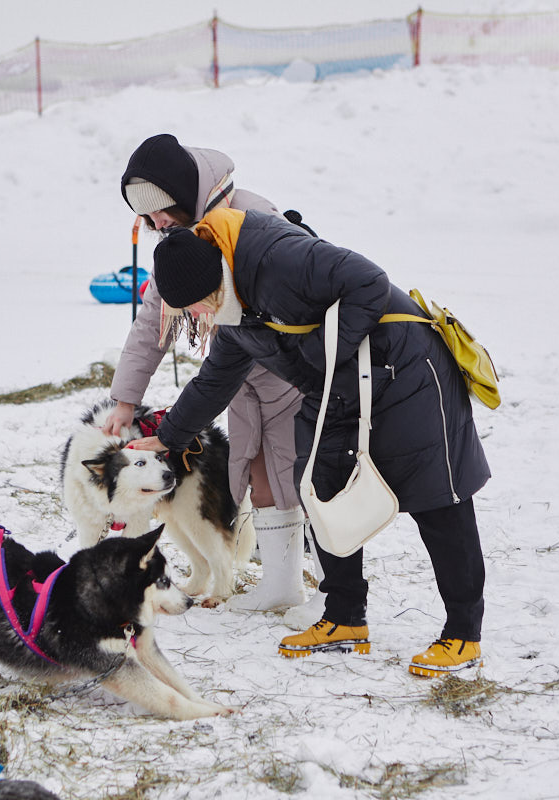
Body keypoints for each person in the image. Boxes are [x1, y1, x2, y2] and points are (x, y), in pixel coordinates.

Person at [128, 207, 491, 677]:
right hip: (341, 386)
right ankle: (344, 618)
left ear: (211, 283)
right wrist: (170, 438)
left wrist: (323, 356)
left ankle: (464, 632)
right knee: (319, 485)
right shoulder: (234, 313)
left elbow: (368, 281)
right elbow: (214, 380)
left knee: (437, 500)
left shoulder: (276, 258)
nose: (196, 317)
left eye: (194, 306)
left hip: (406, 371)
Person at [111, 134, 324, 621]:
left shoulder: (252, 216)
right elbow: (152, 320)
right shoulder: (177, 239)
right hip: (241, 377)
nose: (157, 225)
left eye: (163, 212)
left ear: (185, 195)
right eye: (148, 218)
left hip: (290, 370)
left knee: (306, 476)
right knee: (257, 473)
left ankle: (334, 592)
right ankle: (280, 584)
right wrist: (125, 399)